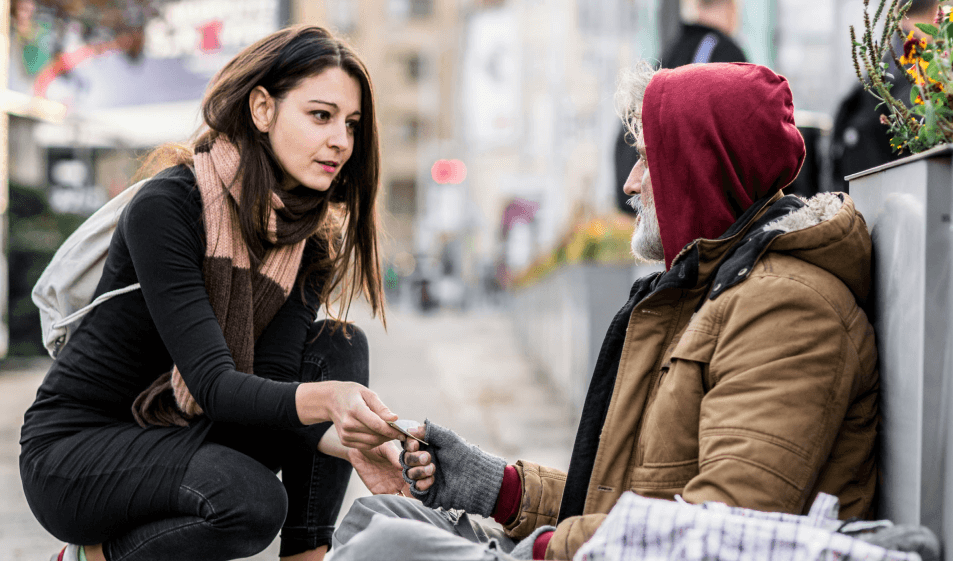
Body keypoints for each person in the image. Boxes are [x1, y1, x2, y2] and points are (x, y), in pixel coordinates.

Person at [332, 62, 880, 560]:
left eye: (647, 158)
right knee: (377, 516)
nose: (630, 183)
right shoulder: (713, 291)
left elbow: (723, 526)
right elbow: (623, 500)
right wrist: (495, 485)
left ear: (699, 165)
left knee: (383, 547)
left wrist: (545, 549)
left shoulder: (787, 309)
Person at [19, 26, 410, 561]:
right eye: (321, 115)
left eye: (352, 124)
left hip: (189, 436)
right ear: (262, 109)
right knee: (249, 500)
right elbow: (216, 386)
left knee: (338, 347)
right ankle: (90, 558)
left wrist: (361, 441)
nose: (342, 140)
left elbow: (268, 388)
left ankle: (307, 555)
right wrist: (332, 403)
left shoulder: (308, 242)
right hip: (78, 453)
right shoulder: (169, 207)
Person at [613, 0, 747, 214]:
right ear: (732, 8)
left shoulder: (675, 48)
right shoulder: (723, 52)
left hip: (643, 195)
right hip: (685, 205)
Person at [828, 0, 940, 192]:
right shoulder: (921, 69)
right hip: (902, 196)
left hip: (862, 196)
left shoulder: (881, 68)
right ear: (936, 13)